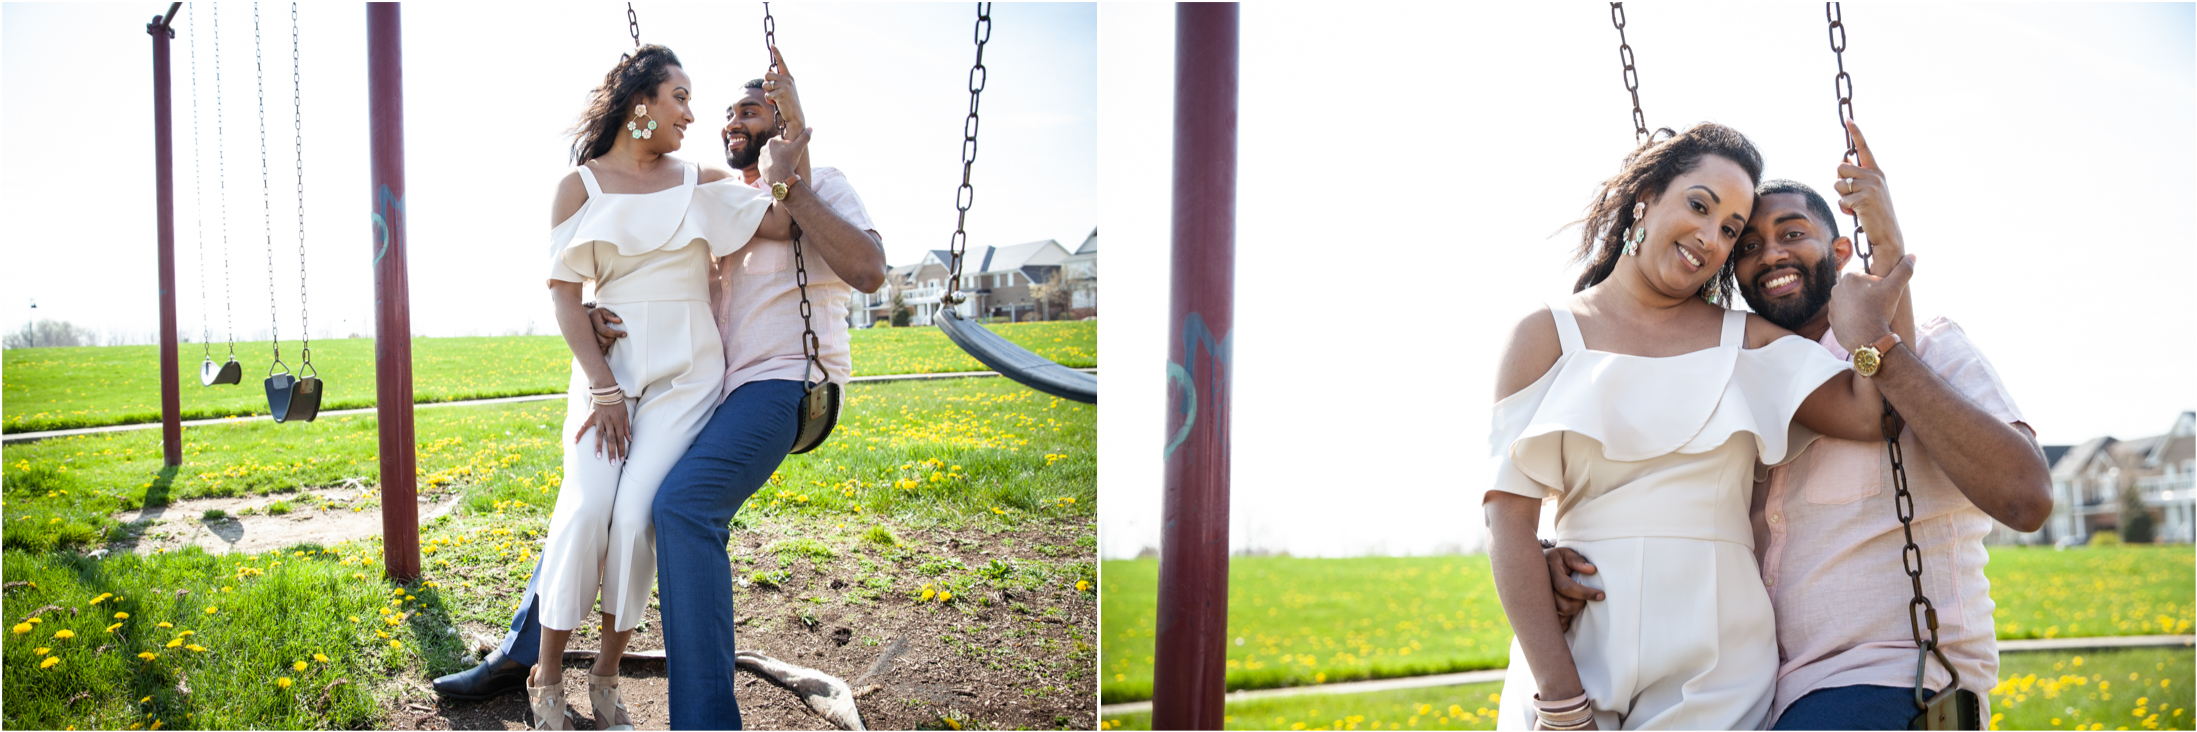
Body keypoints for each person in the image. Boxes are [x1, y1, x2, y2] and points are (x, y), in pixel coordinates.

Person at [1541, 121, 2052, 730]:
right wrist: (1559, 555)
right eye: (1747, 243)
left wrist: (1879, 345)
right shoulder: (1736, 378)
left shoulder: (1930, 348)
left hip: (1888, 677)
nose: (1771, 254)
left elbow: (2026, 499)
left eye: (1793, 234)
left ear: (1839, 252)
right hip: (1750, 688)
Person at [433, 48, 886, 732]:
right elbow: (600, 270)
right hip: (663, 376)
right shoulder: (701, 191)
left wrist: (791, 159)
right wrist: (590, 324)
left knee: (666, 507)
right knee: (591, 506)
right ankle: (525, 659)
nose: (720, 119)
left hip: (758, 384)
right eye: (711, 106)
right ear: (643, 103)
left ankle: (673, 705)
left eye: (747, 109)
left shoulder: (798, 187)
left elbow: (855, 260)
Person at [1484, 122, 1915, 731]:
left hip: (1717, 656)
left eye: (1730, 229)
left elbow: (1878, 413)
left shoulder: (1747, 342)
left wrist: (1885, 252)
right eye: (1699, 205)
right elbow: (1507, 519)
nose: (1710, 238)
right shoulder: (1544, 337)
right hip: (1578, 644)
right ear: (1646, 198)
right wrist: (1559, 699)